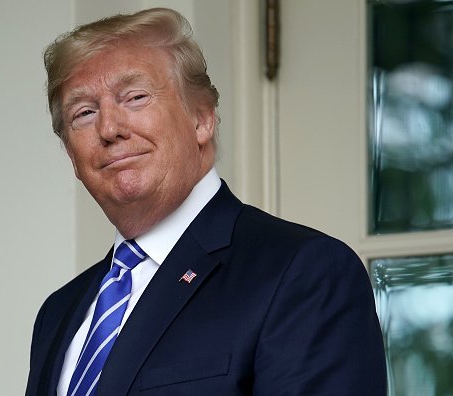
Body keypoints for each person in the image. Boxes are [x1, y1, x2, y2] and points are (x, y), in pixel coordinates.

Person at [26, 7, 387, 396]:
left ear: (202, 119)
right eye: (84, 113)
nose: (109, 128)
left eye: (134, 97)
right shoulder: (58, 312)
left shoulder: (305, 273)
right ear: (71, 154)